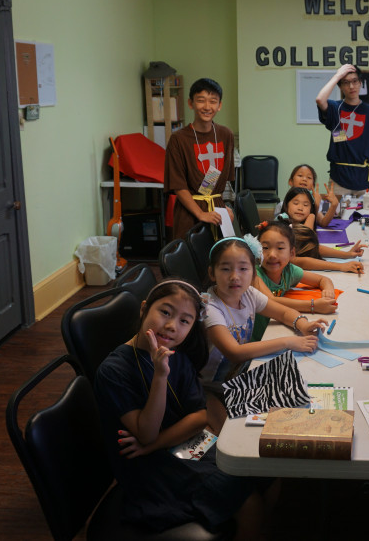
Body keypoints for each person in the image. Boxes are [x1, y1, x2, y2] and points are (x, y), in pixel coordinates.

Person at [93, 279, 270, 536]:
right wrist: (160, 376)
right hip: (151, 466)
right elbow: (146, 434)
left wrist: (155, 442)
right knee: (249, 502)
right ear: (144, 309)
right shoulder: (114, 371)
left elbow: (199, 417)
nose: (171, 325)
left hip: (178, 445)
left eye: (185, 321)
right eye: (165, 312)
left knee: (264, 471)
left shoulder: (179, 357)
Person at [199, 236, 328, 427]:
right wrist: (288, 341)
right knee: (233, 431)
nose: (235, 276)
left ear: (254, 274)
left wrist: (302, 324)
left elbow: (283, 312)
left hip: (239, 374)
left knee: (297, 396)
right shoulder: (210, 307)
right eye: (225, 269)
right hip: (210, 387)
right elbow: (234, 352)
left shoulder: (249, 294)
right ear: (212, 273)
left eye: (243, 269)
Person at [163, 78, 235, 240]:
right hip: (189, 213)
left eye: (213, 101)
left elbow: (218, 182)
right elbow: (178, 185)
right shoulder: (178, 139)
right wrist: (201, 213)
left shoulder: (225, 135)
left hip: (217, 212)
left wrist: (225, 207)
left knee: (222, 253)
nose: (207, 107)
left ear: (219, 105)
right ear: (191, 103)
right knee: (192, 253)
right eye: (201, 100)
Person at [315, 64, 369, 197]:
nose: (351, 86)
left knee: (367, 210)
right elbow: (320, 99)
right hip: (339, 178)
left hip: (364, 180)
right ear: (340, 86)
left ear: (360, 83)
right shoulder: (335, 108)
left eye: (355, 81)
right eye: (345, 82)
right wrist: (337, 76)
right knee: (336, 210)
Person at [254, 220, 338, 315]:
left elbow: (323, 280)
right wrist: (313, 306)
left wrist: (328, 292)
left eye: (280, 248)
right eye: (265, 247)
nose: (272, 255)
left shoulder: (289, 270)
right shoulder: (253, 275)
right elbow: (271, 302)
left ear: (291, 253)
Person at [279, 186, 366, 274]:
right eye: (296, 203)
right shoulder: (282, 228)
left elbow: (312, 248)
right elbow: (301, 261)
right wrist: (341, 266)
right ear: (286, 205)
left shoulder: (301, 223)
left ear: (311, 208)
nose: (300, 208)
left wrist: (347, 254)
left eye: (305, 205)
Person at [275, 164, 339, 228]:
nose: (304, 179)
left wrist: (334, 204)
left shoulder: (313, 202)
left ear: (313, 185)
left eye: (309, 177)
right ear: (291, 181)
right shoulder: (282, 205)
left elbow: (323, 223)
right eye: (300, 175)